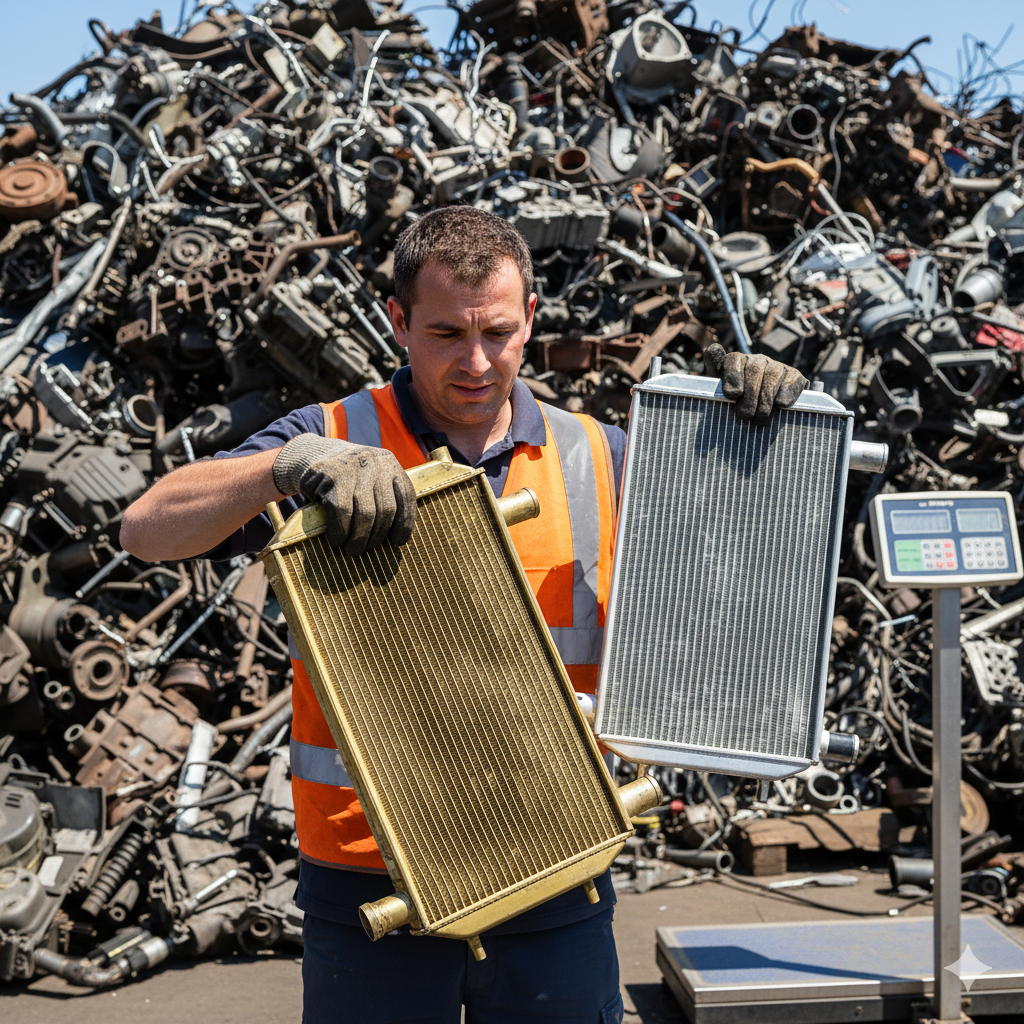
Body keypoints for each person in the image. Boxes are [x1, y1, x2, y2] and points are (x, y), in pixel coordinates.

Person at [120, 206, 806, 1023]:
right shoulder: (333, 434)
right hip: (373, 872)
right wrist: (285, 466)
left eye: (499, 333)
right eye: (446, 334)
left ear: (531, 323)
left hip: (556, 864)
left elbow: (729, 593)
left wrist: (752, 442)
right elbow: (147, 528)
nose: (477, 362)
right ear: (398, 323)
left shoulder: (600, 454)